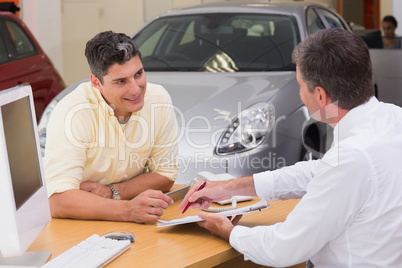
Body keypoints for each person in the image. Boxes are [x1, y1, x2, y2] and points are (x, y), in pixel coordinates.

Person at [179, 28, 402, 267]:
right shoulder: (393, 119)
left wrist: (228, 231)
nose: (299, 94)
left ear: (320, 96)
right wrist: (232, 187)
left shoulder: (353, 157)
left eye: (300, 85)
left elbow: (283, 249)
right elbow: (321, 172)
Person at [45, 31, 179, 223]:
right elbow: (58, 201)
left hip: (133, 221)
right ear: (96, 82)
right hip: (75, 225)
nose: (135, 89)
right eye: (121, 81)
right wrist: (127, 210)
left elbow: (165, 175)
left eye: (138, 74)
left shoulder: (158, 98)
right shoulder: (72, 112)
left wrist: (112, 192)